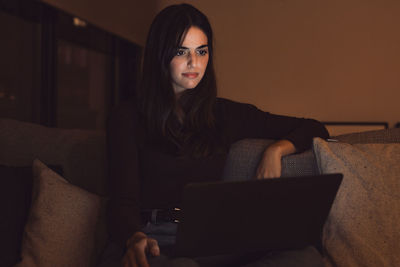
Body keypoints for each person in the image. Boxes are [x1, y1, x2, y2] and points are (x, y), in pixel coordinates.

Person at [103, 3, 329, 267]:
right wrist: (134, 237)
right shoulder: (127, 117)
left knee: (305, 258)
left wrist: (276, 150)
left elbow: (314, 127)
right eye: (181, 51)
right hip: (156, 238)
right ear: (160, 55)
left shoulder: (224, 114)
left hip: (213, 238)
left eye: (202, 51)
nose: (194, 62)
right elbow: (122, 202)